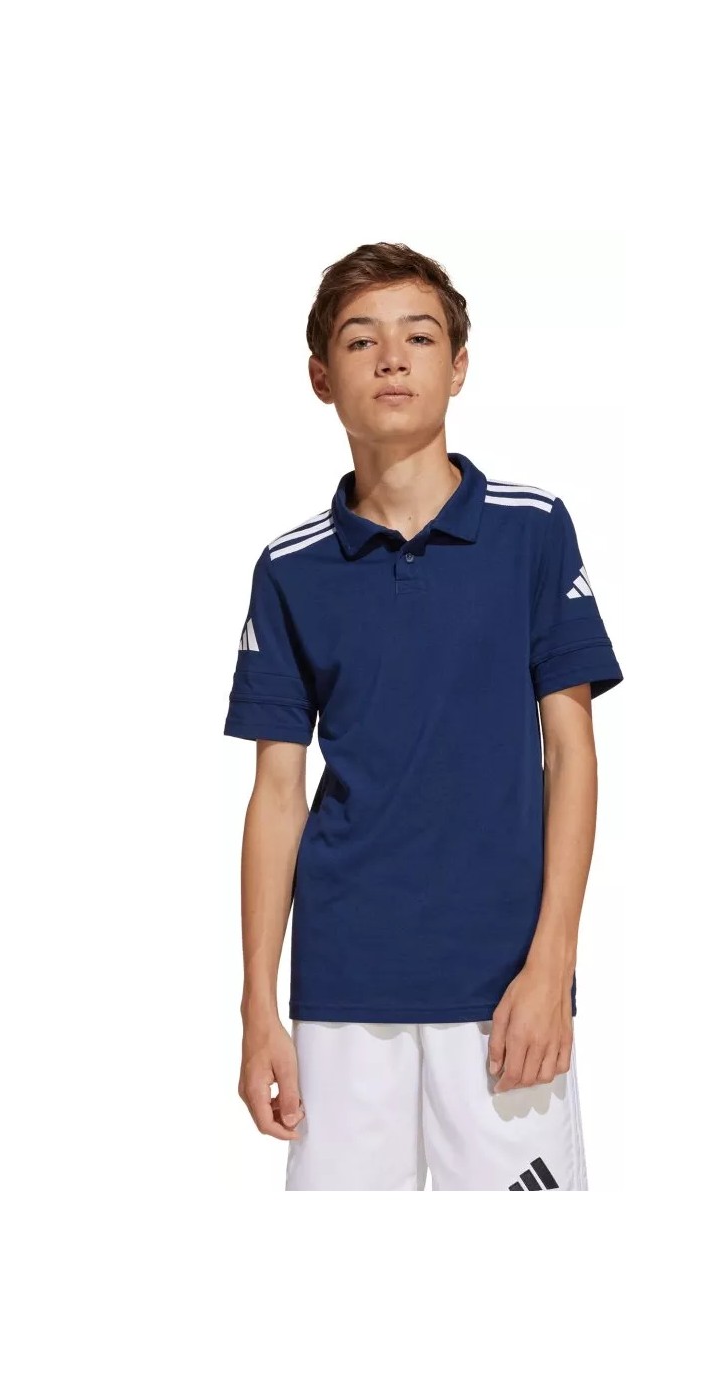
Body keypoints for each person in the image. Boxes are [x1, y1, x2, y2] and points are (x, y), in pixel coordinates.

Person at [224, 242, 624, 1190]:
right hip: (341, 990)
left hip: (504, 989)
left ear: (459, 366)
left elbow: (570, 754)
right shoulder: (291, 569)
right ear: (322, 377)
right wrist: (257, 1008)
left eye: (419, 336)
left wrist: (552, 966)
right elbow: (276, 796)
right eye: (361, 340)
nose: (393, 359)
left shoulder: (532, 529)